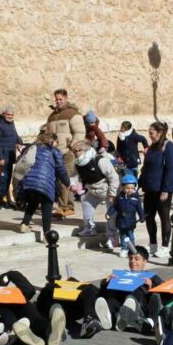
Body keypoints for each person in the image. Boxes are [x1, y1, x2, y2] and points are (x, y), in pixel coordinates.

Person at [16, 130, 70, 237]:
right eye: (57, 142)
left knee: (32, 203)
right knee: (47, 207)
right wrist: (67, 182)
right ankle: (47, 233)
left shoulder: (30, 148)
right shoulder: (54, 152)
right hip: (45, 183)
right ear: (52, 141)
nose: (57, 144)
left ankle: (24, 224)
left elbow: (22, 164)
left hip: (29, 182)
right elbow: (61, 169)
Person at [140, 121, 173, 257]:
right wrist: (139, 183)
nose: (150, 136)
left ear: (160, 133)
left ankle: (165, 246)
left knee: (164, 217)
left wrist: (165, 190)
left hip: (162, 189)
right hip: (149, 188)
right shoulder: (152, 147)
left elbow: (170, 169)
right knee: (149, 216)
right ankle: (152, 244)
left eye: (152, 133)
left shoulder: (169, 147)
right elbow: (146, 168)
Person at [44, 89, 85, 217]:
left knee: (64, 179)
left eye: (60, 99)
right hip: (54, 153)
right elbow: (47, 134)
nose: (58, 101)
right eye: (56, 99)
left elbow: (79, 132)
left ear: (66, 98)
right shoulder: (51, 116)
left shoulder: (73, 114)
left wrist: (72, 147)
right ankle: (69, 206)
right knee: (62, 180)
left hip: (68, 152)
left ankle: (62, 207)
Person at [70, 139, 119, 240]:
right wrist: (72, 184)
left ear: (84, 150)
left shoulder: (100, 160)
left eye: (76, 151)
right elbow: (74, 176)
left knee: (111, 212)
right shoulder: (78, 163)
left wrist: (112, 193)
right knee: (86, 202)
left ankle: (112, 235)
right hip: (93, 189)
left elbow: (113, 177)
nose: (74, 153)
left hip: (107, 189)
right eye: (73, 151)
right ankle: (90, 228)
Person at [0, 105, 22, 210]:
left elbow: (15, 135)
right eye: (8, 114)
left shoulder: (11, 123)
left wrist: (19, 142)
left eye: (12, 115)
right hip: (3, 157)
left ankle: (7, 199)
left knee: (8, 179)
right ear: (3, 114)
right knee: (2, 179)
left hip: (10, 155)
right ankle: (2, 202)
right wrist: (0, 158)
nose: (10, 116)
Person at [110, 174, 144, 256]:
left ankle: (132, 249)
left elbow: (140, 209)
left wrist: (142, 216)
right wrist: (109, 213)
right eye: (127, 188)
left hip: (130, 221)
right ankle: (124, 249)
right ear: (122, 187)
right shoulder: (119, 198)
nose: (130, 190)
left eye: (132, 188)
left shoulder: (136, 198)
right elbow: (115, 207)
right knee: (123, 236)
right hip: (121, 220)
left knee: (130, 236)